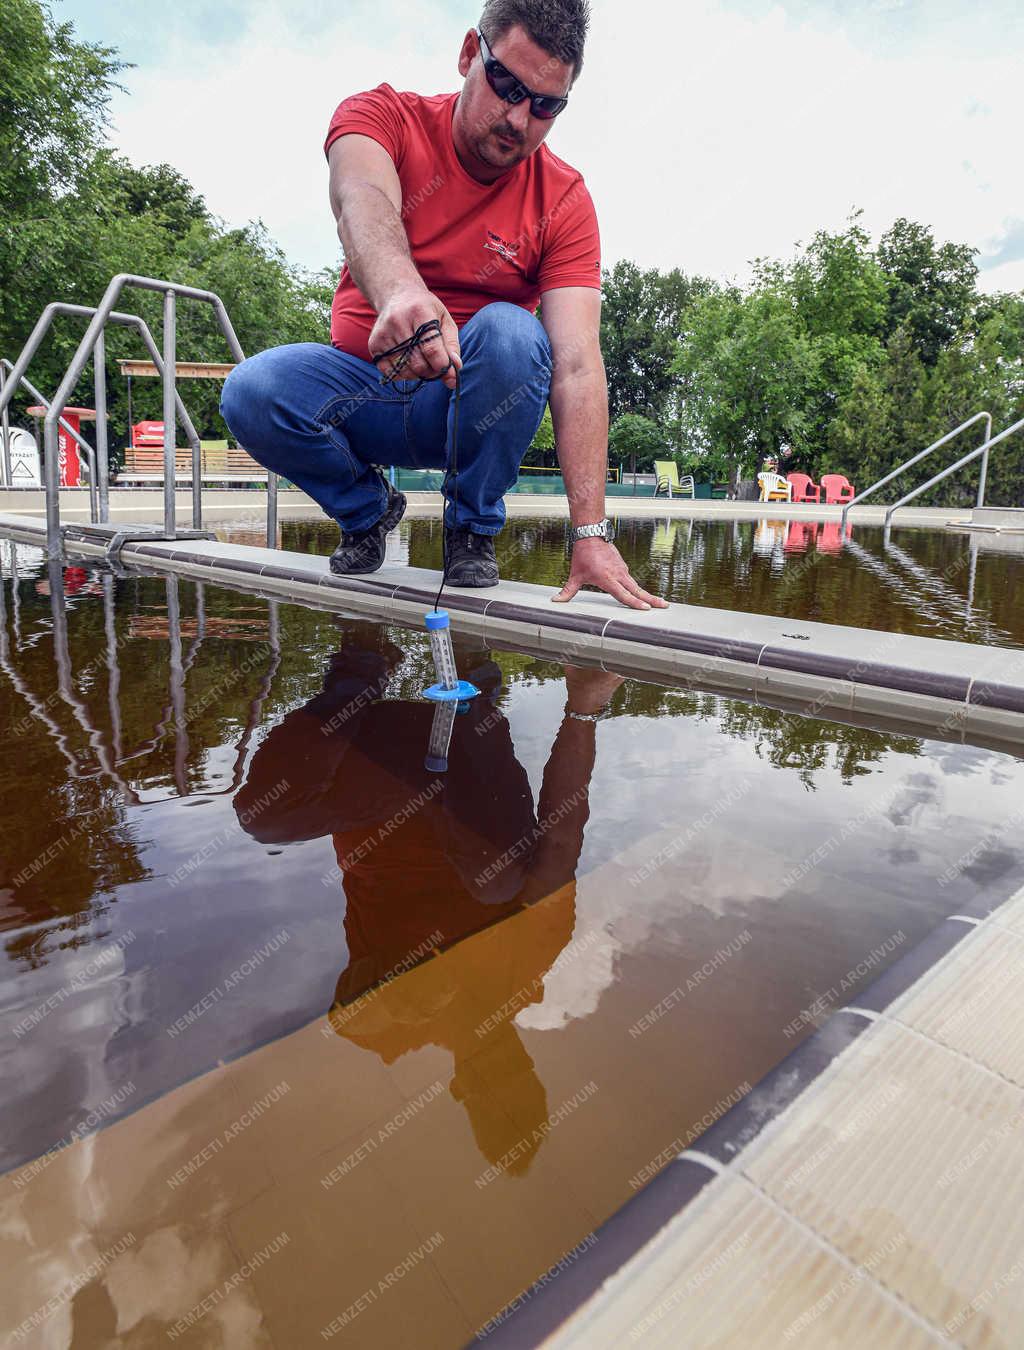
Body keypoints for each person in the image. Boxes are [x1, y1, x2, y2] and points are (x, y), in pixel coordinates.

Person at [220, 0, 667, 612]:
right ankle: (368, 510)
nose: (518, 119)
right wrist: (401, 291)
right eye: (506, 85)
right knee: (252, 389)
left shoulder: (564, 199)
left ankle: (471, 531)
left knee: (514, 334)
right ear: (468, 54)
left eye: (546, 106)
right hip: (364, 393)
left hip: (465, 409)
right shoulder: (383, 115)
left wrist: (590, 534)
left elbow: (578, 367)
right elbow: (361, 196)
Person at [233, 620, 622, 1165]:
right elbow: (562, 836)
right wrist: (583, 706)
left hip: (377, 770)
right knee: (504, 886)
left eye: (488, 1084)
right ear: (528, 1062)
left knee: (265, 818)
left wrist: (380, 1002)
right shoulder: (529, 965)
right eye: (515, 1071)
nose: (495, 1063)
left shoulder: (396, 1033)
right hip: (466, 756)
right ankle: (472, 679)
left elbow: (349, 1019)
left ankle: (361, 665)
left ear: (460, 1088)